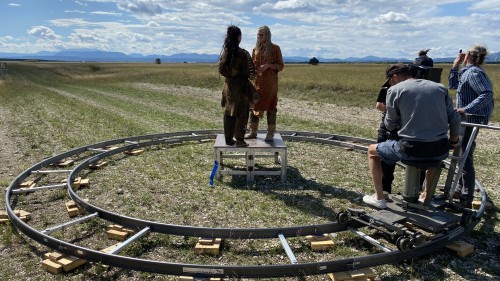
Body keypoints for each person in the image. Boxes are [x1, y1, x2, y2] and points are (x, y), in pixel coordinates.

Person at [363, 64, 461, 209]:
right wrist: (453, 142)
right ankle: (426, 195)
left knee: (372, 151)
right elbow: (454, 119)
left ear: (395, 77)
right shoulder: (440, 88)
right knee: (435, 159)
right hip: (440, 148)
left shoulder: (394, 90)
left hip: (411, 149)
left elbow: (390, 125)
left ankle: (379, 197)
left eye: (390, 81)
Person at [447, 44, 494, 208]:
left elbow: (487, 94)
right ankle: (460, 190)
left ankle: (466, 198)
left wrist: (465, 109)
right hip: (467, 118)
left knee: (464, 157)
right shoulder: (468, 71)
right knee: (461, 154)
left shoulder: (474, 72)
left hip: (471, 119)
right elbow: (452, 86)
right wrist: (455, 65)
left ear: (468, 56)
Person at [244, 26, 284, 142]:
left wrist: (267, 66)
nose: (259, 37)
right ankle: (253, 131)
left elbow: (280, 66)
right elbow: (251, 66)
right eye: (258, 35)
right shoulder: (255, 49)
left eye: (261, 35)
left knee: (271, 106)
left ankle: (270, 132)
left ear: (267, 35)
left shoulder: (275, 48)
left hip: (270, 84)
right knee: (254, 105)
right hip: (257, 83)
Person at [218, 25, 256, 147]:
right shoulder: (243, 54)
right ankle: (239, 140)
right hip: (241, 89)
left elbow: (222, 70)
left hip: (228, 87)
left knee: (228, 113)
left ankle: (228, 140)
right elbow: (251, 73)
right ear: (239, 37)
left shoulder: (225, 52)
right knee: (242, 114)